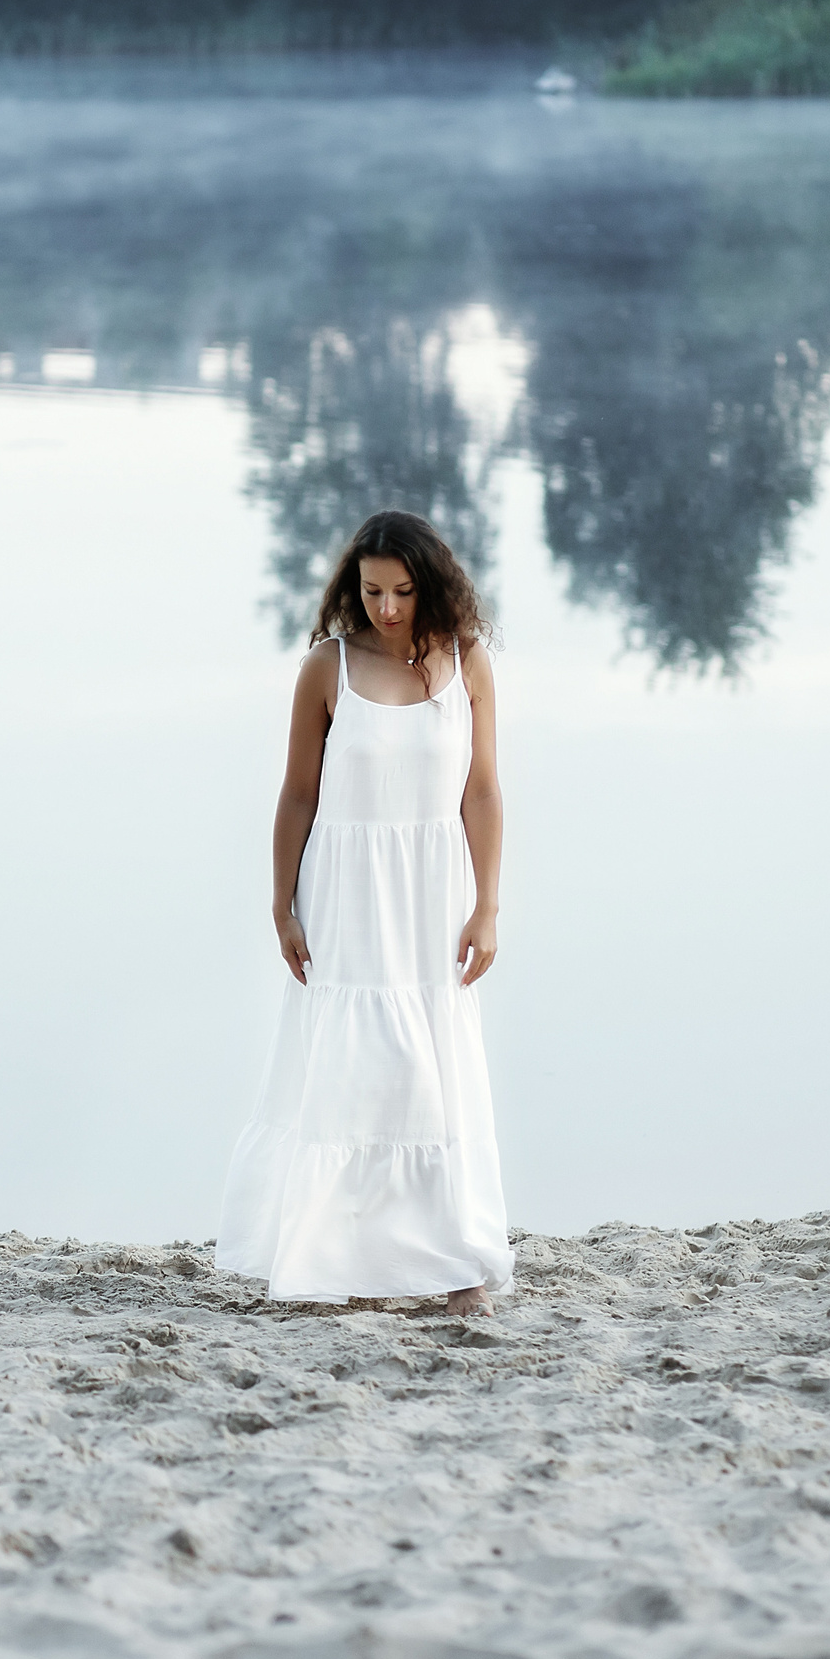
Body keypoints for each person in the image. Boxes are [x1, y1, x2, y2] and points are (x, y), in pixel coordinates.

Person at [216, 510, 514, 1316]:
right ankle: (340, 1259)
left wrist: (488, 906)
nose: (386, 606)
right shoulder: (327, 668)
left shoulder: (469, 663)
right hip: (347, 893)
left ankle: (459, 1268)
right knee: (356, 1072)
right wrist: (280, 902)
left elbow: (482, 792)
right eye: (372, 589)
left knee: (433, 1068)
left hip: (431, 895)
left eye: (403, 591)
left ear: (433, 586)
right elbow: (298, 794)